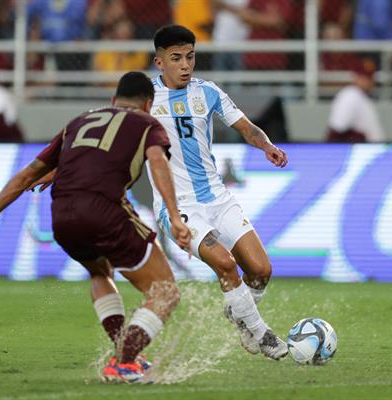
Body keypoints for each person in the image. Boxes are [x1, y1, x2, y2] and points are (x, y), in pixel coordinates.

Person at [0, 71, 192, 383]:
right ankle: (124, 361)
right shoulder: (146, 123)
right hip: (104, 210)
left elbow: (29, 173)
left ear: (113, 100)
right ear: (148, 104)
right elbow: (157, 161)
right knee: (166, 292)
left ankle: (124, 349)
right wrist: (174, 216)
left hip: (61, 214)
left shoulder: (78, 122)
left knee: (98, 272)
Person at [150, 25, 288, 360]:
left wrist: (266, 145)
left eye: (190, 56)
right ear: (159, 62)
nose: (185, 65)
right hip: (178, 207)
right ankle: (262, 334)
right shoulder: (146, 100)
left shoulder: (207, 92)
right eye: (176, 58)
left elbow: (246, 127)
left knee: (261, 270)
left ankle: (239, 312)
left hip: (218, 198)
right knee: (225, 264)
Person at [326, 58, 385, 142]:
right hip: (359, 150)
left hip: (370, 149)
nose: (368, 81)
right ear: (355, 76)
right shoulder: (351, 95)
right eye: (363, 77)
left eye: (370, 78)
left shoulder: (361, 96)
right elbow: (337, 129)